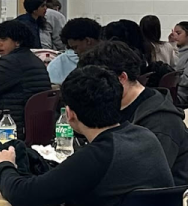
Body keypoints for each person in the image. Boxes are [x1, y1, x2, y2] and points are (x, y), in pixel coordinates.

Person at [0, 66, 173, 206]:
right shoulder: (146, 136)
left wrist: (4, 165)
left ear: (69, 114)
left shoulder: (97, 155)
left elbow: (22, 194)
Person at [80, 41, 188, 183]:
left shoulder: (161, 122)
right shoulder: (120, 105)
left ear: (122, 78)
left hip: (156, 200)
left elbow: (146, 179)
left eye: (97, 83)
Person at [0, 20, 53, 138]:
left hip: (11, 127)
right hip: (34, 126)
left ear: (17, 42)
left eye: (4, 39)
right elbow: (2, 81)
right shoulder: (33, 59)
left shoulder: (11, 61)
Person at [46, 17, 102, 86]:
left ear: (88, 41)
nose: (75, 52)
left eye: (75, 47)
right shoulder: (58, 65)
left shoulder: (109, 60)